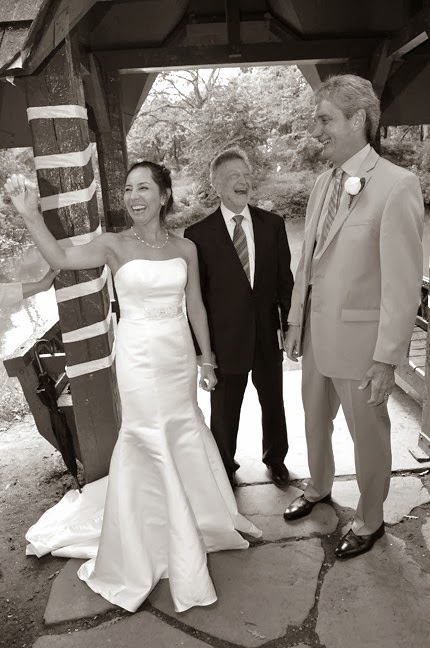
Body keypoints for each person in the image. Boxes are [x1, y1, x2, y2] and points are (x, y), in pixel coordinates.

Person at [5, 162, 261, 614]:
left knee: (183, 429)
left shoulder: (186, 248)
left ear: (164, 196)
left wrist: (206, 358)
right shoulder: (114, 245)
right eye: (127, 188)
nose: (133, 196)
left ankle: (202, 517)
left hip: (178, 356)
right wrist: (29, 214)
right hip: (138, 358)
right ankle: (160, 537)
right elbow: (61, 259)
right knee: (148, 435)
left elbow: (195, 306)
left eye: (143, 187)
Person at [283, 74, 424, 559]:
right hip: (315, 336)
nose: (315, 130)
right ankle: (319, 486)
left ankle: (370, 519)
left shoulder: (398, 185)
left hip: (362, 346)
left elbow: (403, 285)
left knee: (368, 437)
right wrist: (296, 323)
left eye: (324, 120)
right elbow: (308, 263)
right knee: (314, 422)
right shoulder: (323, 183)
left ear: (358, 119)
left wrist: (387, 358)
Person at [184, 147, 294, 488]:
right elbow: (195, 298)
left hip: (267, 336)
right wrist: (203, 353)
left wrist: (292, 328)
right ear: (216, 185)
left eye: (246, 175)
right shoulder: (198, 236)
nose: (242, 181)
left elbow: (285, 283)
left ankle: (275, 459)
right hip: (224, 340)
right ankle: (224, 466)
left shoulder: (272, 225)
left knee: (273, 403)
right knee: (224, 410)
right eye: (234, 176)